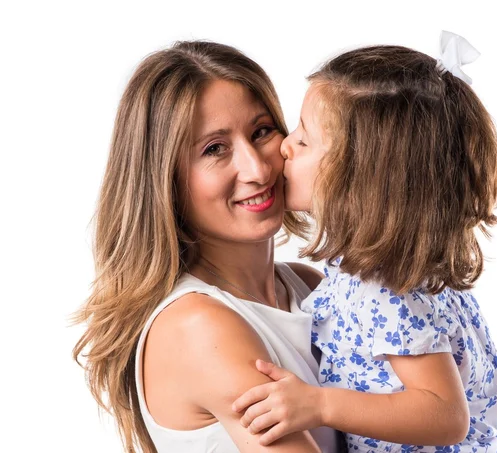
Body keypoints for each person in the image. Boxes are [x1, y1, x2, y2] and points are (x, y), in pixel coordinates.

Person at [232, 32, 497, 452]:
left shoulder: (386, 290)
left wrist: (320, 405)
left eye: (304, 140)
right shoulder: (388, 274)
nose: (285, 147)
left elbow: (445, 415)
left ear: (357, 181)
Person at [72, 40, 339, 453]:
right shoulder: (199, 326)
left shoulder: (306, 285)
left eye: (262, 131)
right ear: (164, 182)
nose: (257, 168)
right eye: (215, 149)